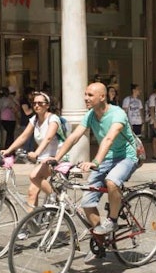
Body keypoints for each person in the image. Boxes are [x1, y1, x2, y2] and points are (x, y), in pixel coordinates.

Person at [51, 82, 138, 236]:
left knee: (112, 181)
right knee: (87, 201)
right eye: (85, 94)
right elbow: (74, 137)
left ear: (102, 97)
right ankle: (102, 239)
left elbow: (109, 138)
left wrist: (95, 162)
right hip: (107, 158)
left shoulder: (118, 114)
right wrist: (56, 158)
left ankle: (112, 220)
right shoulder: (90, 115)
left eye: (90, 95)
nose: (86, 98)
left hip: (126, 157)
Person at [1, 92, 62, 206]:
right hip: (42, 159)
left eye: (40, 103)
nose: (36, 106)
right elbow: (23, 136)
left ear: (47, 105)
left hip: (55, 158)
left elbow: (48, 138)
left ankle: (57, 198)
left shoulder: (53, 119)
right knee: (31, 193)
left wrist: (36, 152)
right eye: (34, 103)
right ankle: (32, 223)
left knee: (34, 176)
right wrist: (8, 150)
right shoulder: (34, 119)